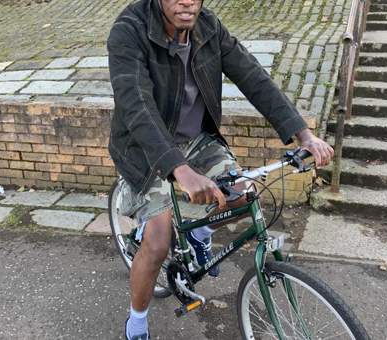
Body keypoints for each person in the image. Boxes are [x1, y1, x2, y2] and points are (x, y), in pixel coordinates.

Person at [107, 0, 334, 338]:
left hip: (198, 141)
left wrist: (304, 134)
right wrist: (180, 170)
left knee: (245, 195)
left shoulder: (208, 27)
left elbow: (254, 77)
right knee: (157, 242)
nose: (186, 1)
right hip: (145, 149)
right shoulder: (130, 30)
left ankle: (199, 233)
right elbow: (137, 105)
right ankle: (136, 323)